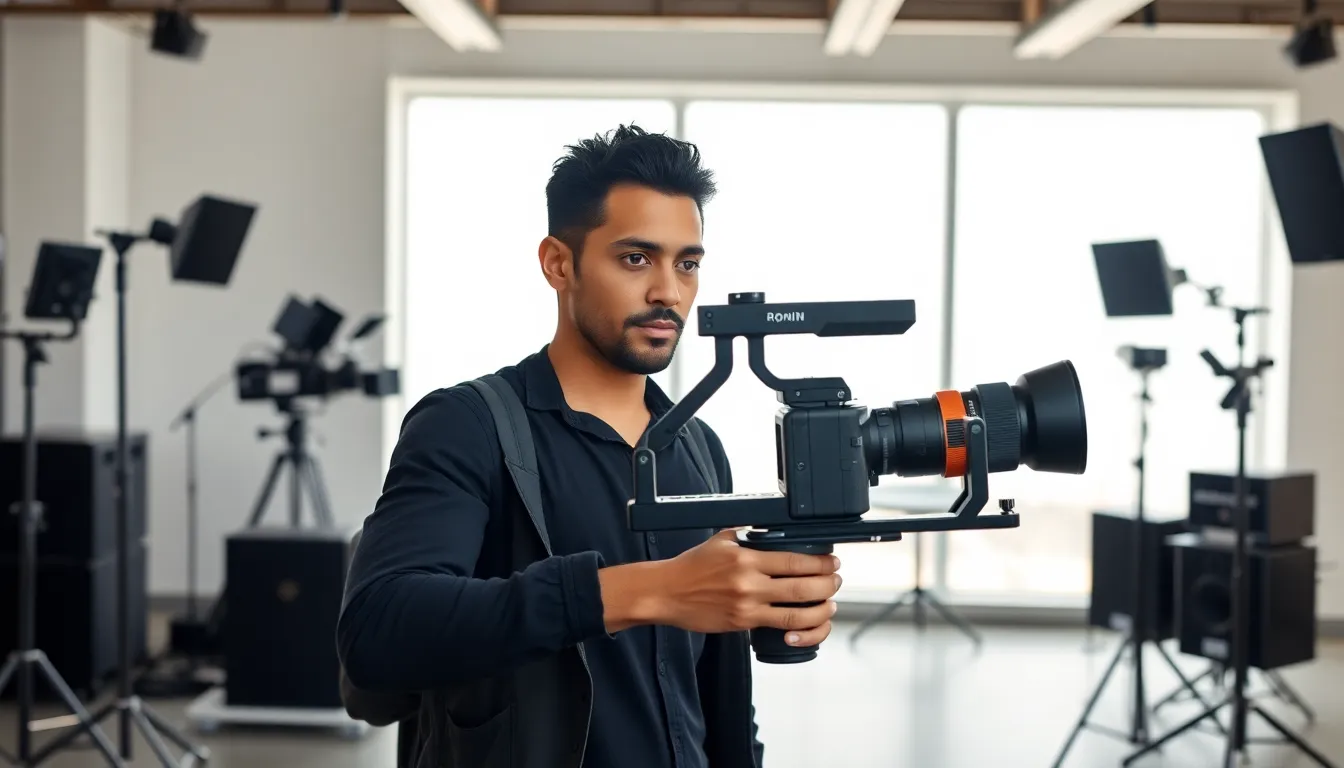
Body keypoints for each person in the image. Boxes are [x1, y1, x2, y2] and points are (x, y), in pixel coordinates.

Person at [337, 125, 844, 768]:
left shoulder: (698, 447)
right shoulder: (466, 425)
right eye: (636, 259)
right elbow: (378, 632)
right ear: (558, 263)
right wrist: (644, 591)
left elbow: (717, 702)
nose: (668, 292)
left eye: (687, 263)